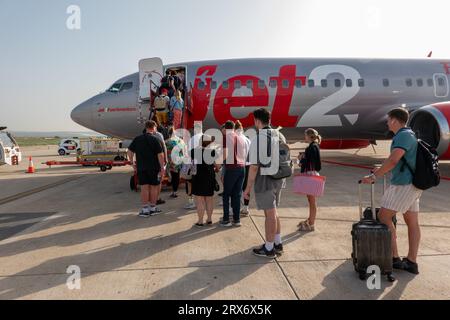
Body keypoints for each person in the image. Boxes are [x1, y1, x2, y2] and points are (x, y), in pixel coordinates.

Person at [361, 107, 422, 274]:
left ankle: (394, 257)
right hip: (412, 184)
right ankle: (411, 261)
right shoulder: (409, 134)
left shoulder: (402, 135)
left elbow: (394, 160)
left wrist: (375, 177)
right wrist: (381, 168)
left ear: (395, 120)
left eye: (388, 120)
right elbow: (397, 160)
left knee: (384, 216)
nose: (387, 123)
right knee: (412, 222)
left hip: (404, 185)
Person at [244, 108, 285, 258]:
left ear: (257, 121)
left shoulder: (258, 138)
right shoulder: (279, 134)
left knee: (270, 215)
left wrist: (247, 188)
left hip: (265, 181)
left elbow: (254, 167)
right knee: (274, 211)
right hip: (279, 179)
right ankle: (277, 242)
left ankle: (269, 248)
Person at [127, 121, 165, 217]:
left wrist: (132, 163)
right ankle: (152, 208)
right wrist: (162, 168)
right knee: (154, 188)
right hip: (154, 168)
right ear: (154, 128)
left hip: (141, 168)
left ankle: (144, 210)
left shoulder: (137, 139)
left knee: (144, 188)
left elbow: (130, 151)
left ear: (146, 127)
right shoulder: (156, 139)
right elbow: (160, 155)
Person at [220, 120, 247, 227]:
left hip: (232, 169)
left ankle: (226, 219)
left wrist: (217, 164)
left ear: (226, 129)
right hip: (242, 168)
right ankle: (237, 219)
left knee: (226, 194)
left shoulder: (227, 136)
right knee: (237, 194)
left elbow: (225, 154)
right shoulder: (240, 137)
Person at [297, 128, 322, 232]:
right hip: (312, 174)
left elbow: (310, 162)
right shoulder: (314, 146)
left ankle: (311, 224)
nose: (305, 137)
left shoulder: (312, 147)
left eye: (305, 135)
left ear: (309, 136)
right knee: (310, 200)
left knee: (312, 201)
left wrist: (302, 159)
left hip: (310, 174)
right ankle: (310, 220)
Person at [191, 134, 219, 227]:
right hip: (209, 177)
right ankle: (210, 219)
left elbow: (190, 163)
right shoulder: (212, 152)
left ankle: (200, 221)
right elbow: (217, 166)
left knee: (200, 200)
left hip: (198, 178)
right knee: (209, 200)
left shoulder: (194, 151)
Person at [147, 121, 168, 206]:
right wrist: (165, 159)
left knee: (148, 183)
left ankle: (149, 199)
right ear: (154, 127)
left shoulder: (143, 136)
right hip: (158, 161)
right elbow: (163, 147)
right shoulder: (158, 135)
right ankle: (157, 198)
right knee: (158, 182)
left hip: (148, 161)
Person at [184, 122, 203, 210]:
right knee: (202, 183)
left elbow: (188, 153)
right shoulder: (206, 137)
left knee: (190, 183)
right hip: (205, 164)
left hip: (194, 164)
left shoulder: (192, 139)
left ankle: (191, 202)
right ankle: (202, 202)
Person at [234, 120, 251, 216]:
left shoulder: (234, 138)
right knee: (246, 188)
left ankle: (236, 208)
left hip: (238, 165)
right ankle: (246, 208)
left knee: (236, 188)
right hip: (247, 165)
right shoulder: (247, 139)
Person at [165, 126, 186, 198]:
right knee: (176, 176)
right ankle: (175, 191)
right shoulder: (180, 140)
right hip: (178, 160)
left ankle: (173, 188)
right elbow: (183, 151)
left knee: (172, 175)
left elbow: (165, 152)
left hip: (170, 161)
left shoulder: (167, 141)